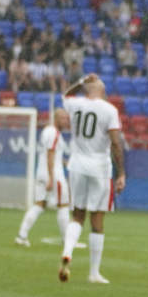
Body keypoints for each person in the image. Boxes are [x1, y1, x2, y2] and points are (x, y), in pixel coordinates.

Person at [58, 75, 125, 284]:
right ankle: (94, 273)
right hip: (99, 168)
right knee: (97, 220)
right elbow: (115, 143)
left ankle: (67, 251)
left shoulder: (75, 104)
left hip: (77, 165)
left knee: (77, 215)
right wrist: (121, 172)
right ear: (101, 91)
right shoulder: (109, 110)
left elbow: (65, 95)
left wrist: (81, 81)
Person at [16, 107, 71, 247]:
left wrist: (66, 163)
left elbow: (51, 155)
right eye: (64, 118)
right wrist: (51, 178)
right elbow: (50, 155)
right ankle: (67, 240)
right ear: (56, 119)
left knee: (39, 205)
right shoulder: (55, 133)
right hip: (54, 175)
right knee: (63, 205)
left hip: (41, 172)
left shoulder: (47, 131)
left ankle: (22, 236)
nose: (66, 121)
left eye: (67, 118)